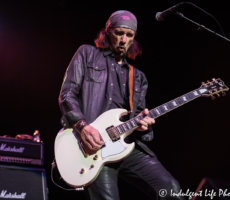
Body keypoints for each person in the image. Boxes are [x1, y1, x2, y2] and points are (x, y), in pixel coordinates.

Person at [59, 10, 183, 200]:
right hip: (93, 147)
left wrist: (144, 126)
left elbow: (140, 116)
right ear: (107, 31)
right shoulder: (87, 54)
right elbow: (67, 94)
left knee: (171, 189)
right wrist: (82, 126)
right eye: (119, 33)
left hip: (127, 147)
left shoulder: (138, 77)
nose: (124, 40)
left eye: (129, 35)